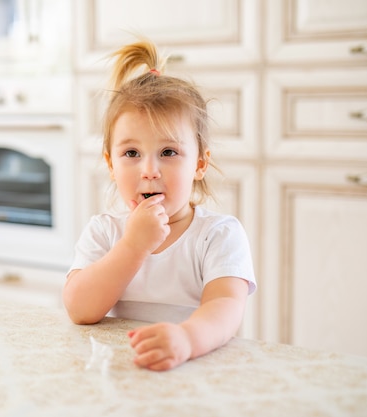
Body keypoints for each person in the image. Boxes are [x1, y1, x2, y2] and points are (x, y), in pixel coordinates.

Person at [63, 39, 257, 371]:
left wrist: (187, 339)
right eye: (131, 153)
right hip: (122, 371)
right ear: (111, 164)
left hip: (192, 368)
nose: (149, 171)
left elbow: (226, 306)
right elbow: (80, 309)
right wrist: (133, 245)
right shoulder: (105, 231)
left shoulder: (218, 235)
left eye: (168, 152)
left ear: (199, 164)